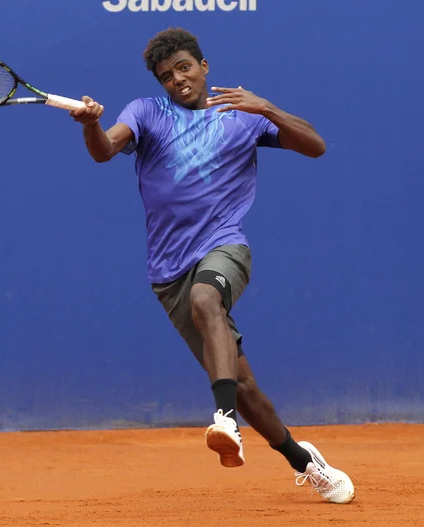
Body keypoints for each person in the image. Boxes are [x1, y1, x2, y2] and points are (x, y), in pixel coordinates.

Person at [70, 27, 355, 504]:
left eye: (184, 67)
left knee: (208, 297)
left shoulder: (241, 115)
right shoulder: (146, 112)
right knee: (245, 387)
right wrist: (89, 124)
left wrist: (266, 107)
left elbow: (315, 145)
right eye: (166, 75)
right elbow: (105, 150)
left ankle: (224, 420)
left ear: (204, 67)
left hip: (225, 247)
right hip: (168, 273)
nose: (177, 79)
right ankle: (305, 461)